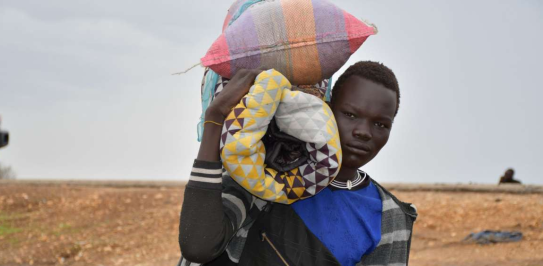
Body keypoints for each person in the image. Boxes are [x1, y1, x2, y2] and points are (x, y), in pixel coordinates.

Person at [177, 61, 417, 266]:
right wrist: (215, 119)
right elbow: (198, 245)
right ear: (326, 108)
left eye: (381, 125)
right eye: (351, 115)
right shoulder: (268, 175)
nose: (364, 132)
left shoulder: (388, 217)